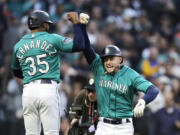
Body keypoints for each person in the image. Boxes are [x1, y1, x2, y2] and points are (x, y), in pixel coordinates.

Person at [79, 13, 159, 135]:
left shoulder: (131, 75)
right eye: (105, 59)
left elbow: (153, 90)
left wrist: (143, 101)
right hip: (103, 126)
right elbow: (86, 47)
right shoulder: (99, 68)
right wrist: (83, 27)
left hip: (124, 128)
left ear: (120, 60)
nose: (108, 62)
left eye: (111, 58)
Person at [11, 10, 85, 135]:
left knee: (31, 133)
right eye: (47, 23)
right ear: (43, 24)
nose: (48, 26)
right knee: (51, 132)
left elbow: (16, 72)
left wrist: (32, 77)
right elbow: (79, 45)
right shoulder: (52, 38)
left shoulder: (18, 45)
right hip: (47, 89)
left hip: (28, 91)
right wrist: (76, 23)